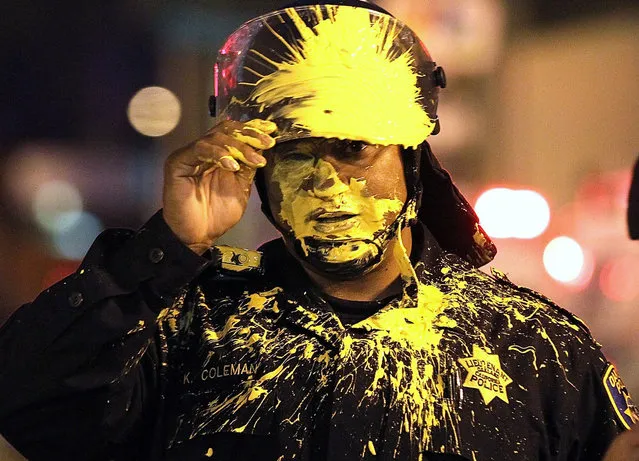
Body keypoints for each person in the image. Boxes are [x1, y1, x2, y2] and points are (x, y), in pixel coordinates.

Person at [0, 1, 637, 460]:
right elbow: (31, 404)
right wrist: (167, 247)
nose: (327, 184)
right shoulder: (186, 326)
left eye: (354, 149)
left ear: (410, 162)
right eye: (296, 154)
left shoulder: (533, 347)